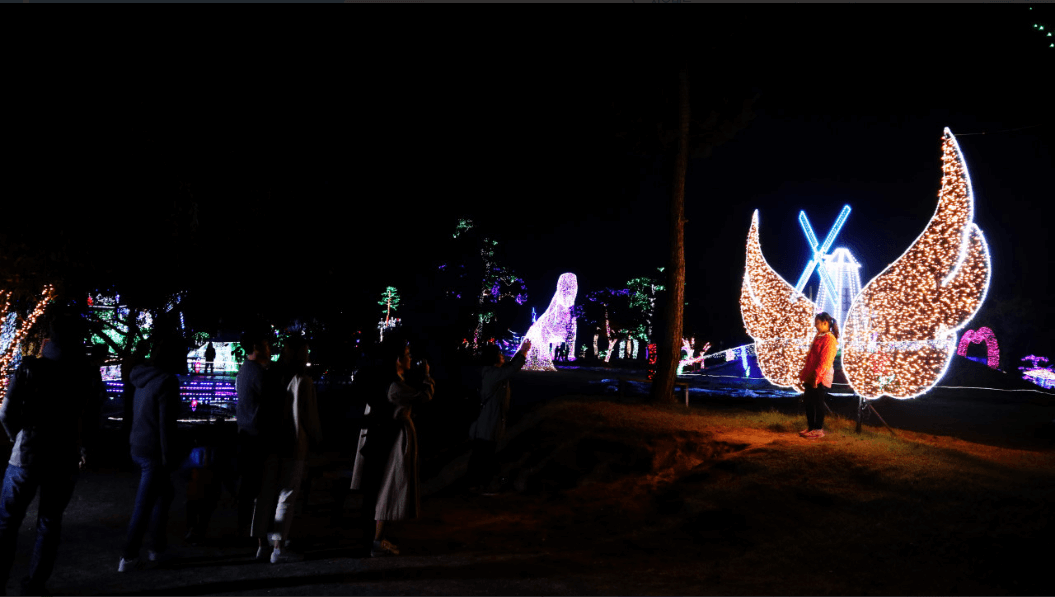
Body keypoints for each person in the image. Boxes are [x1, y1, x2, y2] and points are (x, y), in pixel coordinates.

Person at [0, 315, 100, 595]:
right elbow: (90, 419)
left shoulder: (29, 368)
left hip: (27, 454)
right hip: (63, 456)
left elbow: (6, 413)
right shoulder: (85, 374)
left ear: (51, 338)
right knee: (49, 522)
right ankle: (35, 585)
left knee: (7, 523)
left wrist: (17, 437)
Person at [350, 335, 434, 558]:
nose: (410, 358)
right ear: (397, 359)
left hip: (385, 439)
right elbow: (424, 396)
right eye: (407, 355)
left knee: (382, 490)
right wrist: (427, 376)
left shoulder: (386, 382)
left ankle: (376, 539)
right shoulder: (394, 387)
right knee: (388, 490)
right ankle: (377, 541)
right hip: (395, 442)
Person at [118, 334, 188, 572]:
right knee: (145, 504)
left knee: (162, 497)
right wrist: (170, 459)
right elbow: (166, 425)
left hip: (138, 445)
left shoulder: (141, 376)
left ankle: (157, 549)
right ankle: (128, 557)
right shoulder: (167, 381)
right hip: (154, 451)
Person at [253, 336, 323, 564]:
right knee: (287, 495)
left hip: (270, 441)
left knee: (267, 493)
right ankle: (279, 547)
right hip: (294, 443)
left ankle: (263, 544)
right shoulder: (303, 381)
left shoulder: (271, 376)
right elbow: (310, 418)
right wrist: (318, 440)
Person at [235, 330, 281, 557]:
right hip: (258, 436)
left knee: (252, 487)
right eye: (265, 343)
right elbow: (272, 401)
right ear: (256, 346)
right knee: (263, 489)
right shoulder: (258, 373)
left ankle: (256, 537)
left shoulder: (244, 370)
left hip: (246, 433)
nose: (269, 348)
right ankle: (262, 540)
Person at [466, 339, 531, 495]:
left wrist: (520, 353)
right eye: (500, 354)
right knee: (484, 455)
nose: (503, 356)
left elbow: (509, 367)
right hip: (487, 423)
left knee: (483, 453)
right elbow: (511, 369)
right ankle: (480, 485)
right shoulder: (492, 374)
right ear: (494, 357)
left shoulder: (494, 373)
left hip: (490, 422)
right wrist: (523, 352)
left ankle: (478, 484)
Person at [797, 312, 840, 439]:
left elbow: (825, 361)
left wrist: (816, 376)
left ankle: (818, 429)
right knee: (808, 402)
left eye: (817, 323)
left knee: (818, 402)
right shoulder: (819, 336)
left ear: (825, 323)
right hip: (812, 374)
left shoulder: (829, 339)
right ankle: (811, 427)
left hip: (820, 376)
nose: (815, 325)